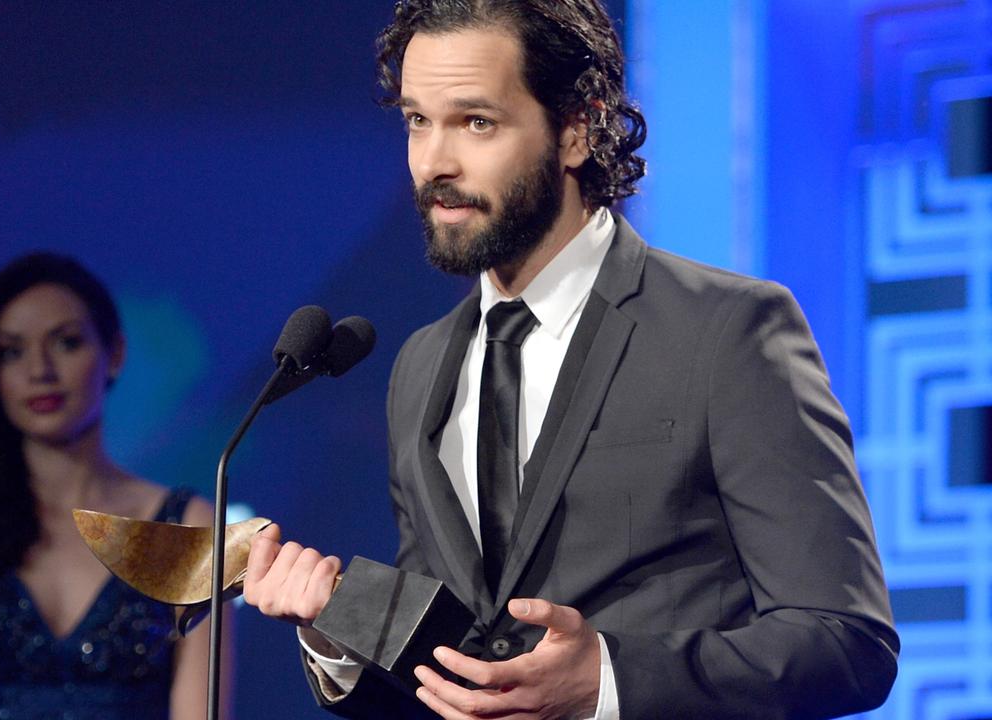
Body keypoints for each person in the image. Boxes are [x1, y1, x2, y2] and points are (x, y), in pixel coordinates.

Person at [242, 1, 898, 718]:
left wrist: (606, 680)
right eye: (416, 121)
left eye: (476, 122)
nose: (434, 162)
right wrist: (334, 629)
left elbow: (847, 643)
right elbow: (454, 673)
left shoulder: (728, 330)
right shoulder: (422, 367)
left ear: (578, 129)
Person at [0, 252, 230, 720]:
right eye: (12, 351)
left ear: (114, 354)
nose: (39, 370)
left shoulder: (186, 527)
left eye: (66, 343)